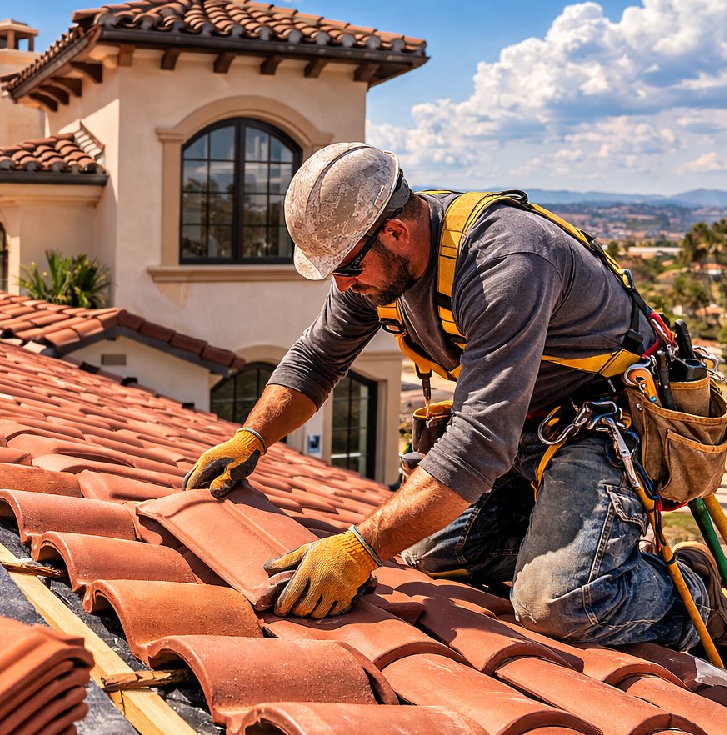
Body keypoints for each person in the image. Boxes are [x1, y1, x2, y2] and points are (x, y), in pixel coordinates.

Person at [184, 141, 726, 654]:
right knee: (430, 553)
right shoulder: (373, 268)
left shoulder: (506, 262)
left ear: (395, 232)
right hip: (524, 423)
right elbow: (315, 361)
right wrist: (250, 439)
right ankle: (565, 547)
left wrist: (360, 548)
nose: (343, 286)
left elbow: (479, 441)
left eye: (347, 268)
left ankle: (698, 593)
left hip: (602, 425)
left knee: (555, 605)